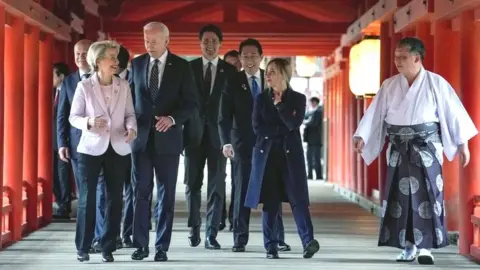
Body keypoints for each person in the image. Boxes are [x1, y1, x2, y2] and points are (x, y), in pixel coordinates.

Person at [352, 37, 478, 265]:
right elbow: (375, 113)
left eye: (402, 57)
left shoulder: (436, 83)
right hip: (399, 150)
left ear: (417, 58)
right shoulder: (389, 85)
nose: (397, 61)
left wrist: (463, 144)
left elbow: (453, 114)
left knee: (428, 197)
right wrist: (362, 134)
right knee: (400, 198)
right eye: (396, 57)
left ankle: (426, 248)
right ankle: (407, 247)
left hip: (426, 149)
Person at [129, 22, 198, 262]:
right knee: (140, 193)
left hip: (168, 141)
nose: (150, 46)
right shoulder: (136, 64)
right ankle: (140, 245)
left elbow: (191, 103)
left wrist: (172, 118)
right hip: (140, 140)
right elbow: (129, 100)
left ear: (167, 41)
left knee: (166, 194)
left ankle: (161, 246)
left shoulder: (181, 67)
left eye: (155, 41)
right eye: (146, 41)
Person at [218, 39, 290, 253]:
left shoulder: (270, 79)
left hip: (271, 145)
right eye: (245, 56)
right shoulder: (232, 81)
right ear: (240, 58)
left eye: (253, 55)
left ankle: (277, 238)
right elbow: (223, 115)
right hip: (243, 144)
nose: (249, 60)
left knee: (273, 192)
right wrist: (226, 142)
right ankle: (240, 239)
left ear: (261, 56)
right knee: (242, 191)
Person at [69, 40, 137, 263]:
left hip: (118, 147)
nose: (116, 62)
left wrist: (131, 129)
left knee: (114, 199)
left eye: (117, 58)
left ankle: (108, 246)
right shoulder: (84, 86)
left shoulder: (123, 86)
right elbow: (73, 117)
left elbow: (130, 115)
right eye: (112, 57)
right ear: (98, 61)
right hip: (90, 149)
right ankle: (83, 246)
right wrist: (88, 122)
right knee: (87, 199)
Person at [245, 58, 319, 259]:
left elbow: (293, 123)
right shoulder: (261, 99)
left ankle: (308, 242)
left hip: (290, 156)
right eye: (267, 72)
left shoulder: (298, 99)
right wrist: (281, 129)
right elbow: (257, 127)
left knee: (299, 200)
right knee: (270, 202)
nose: (268, 75)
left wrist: (279, 106)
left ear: (284, 75)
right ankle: (270, 246)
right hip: (267, 155)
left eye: (273, 72)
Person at [183, 24, 237, 249]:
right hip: (193, 135)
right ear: (200, 43)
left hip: (219, 136)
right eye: (205, 40)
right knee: (192, 184)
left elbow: (235, 107)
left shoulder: (230, 71)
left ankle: (211, 233)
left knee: (217, 185)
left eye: (214, 41)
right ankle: (194, 227)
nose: (210, 44)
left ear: (220, 44)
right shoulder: (189, 68)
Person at [221, 49, 241, 231]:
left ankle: (234, 217)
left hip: (238, 137)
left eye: (237, 64)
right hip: (220, 134)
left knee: (237, 180)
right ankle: (219, 216)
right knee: (219, 179)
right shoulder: (221, 81)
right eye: (229, 65)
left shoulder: (243, 83)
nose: (234, 68)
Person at [53, 62, 71, 219]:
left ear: (61, 77)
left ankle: (65, 205)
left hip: (65, 140)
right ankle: (60, 202)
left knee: (63, 173)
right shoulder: (53, 93)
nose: (51, 78)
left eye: (54, 75)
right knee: (55, 173)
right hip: (53, 141)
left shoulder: (70, 89)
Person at [303, 97, 323, 180]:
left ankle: (318, 175)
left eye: (313, 102)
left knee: (316, 158)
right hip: (310, 139)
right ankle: (310, 175)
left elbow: (313, 123)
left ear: (315, 102)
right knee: (310, 158)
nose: (312, 104)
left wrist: (305, 122)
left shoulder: (318, 111)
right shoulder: (311, 112)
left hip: (316, 139)